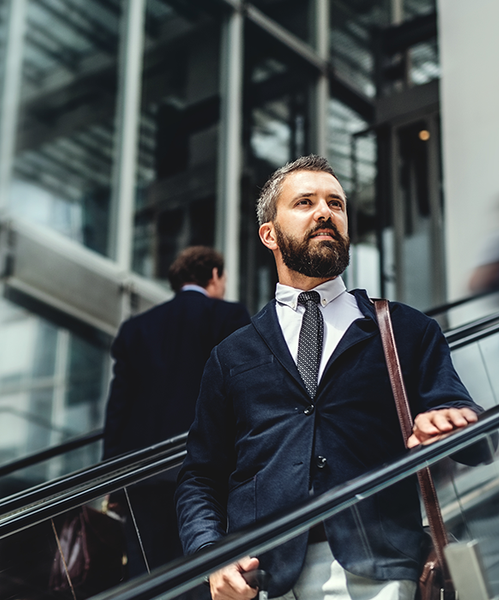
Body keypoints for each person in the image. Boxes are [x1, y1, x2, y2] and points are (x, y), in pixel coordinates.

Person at [175, 156, 482, 600]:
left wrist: (455, 425)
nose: (325, 212)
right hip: (265, 580)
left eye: (335, 204)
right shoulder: (230, 355)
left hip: (382, 571)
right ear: (269, 234)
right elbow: (201, 475)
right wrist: (209, 553)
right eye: (305, 202)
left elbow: (472, 437)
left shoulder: (406, 329)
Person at [103, 246, 251, 577]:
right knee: (203, 569)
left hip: (141, 474)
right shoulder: (227, 317)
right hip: (206, 472)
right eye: (223, 278)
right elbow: (242, 395)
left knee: (147, 573)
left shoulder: (136, 329)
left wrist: (112, 478)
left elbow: (118, 409)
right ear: (214, 275)